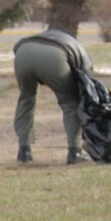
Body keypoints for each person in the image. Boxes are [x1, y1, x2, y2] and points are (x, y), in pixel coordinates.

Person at [12, 28, 94, 165]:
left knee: (26, 99)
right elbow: (87, 90)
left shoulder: (65, 40)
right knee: (70, 103)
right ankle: (75, 152)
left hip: (23, 51)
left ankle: (24, 151)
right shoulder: (85, 59)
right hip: (54, 56)